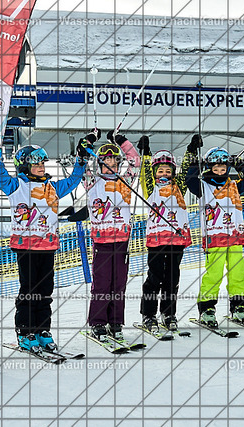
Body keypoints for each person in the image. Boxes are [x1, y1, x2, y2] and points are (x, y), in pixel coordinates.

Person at [0, 129, 94, 351]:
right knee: (29, 289)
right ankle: (25, 331)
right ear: (24, 165)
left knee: (45, 289)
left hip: (48, 246)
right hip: (26, 247)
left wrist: (81, 160)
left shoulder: (52, 187)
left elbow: (74, 180)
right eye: (36, 163)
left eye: (42, 163)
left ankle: (42, 329)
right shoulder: (16, 186)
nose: (41, 166)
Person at [185, 135, 244, 327]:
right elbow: (190, 180)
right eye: (216, 169)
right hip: (214, 238)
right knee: (214, 274)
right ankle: (207, 308)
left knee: (238, 272)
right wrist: (196, 163)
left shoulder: (234, 185)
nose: (220, 172)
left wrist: (240, 164)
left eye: (224, 169)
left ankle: (239, 306)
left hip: (235, 236)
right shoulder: (203, 186)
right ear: (209, 168)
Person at [86, 131, 141, 341]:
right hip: (102, 242)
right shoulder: (92, 182)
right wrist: (88, 141)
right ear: (99, 164)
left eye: (114, 161)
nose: (110, 165)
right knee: (102, 283)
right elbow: (81, 163)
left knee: (118, 283)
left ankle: (115, 322)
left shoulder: (125, 181)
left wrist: (121, 141)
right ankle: (98, 323)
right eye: (106, 161)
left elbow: (135, 161)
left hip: (122, 241)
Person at [137, 136, 192, 332]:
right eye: (160, 171)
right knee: (155, 277)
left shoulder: (179, 188)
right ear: (154, 172)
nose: (164, 174)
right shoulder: (151, 187)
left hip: (176, 239)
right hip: (157, 240)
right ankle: (149, 314)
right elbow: (144, 172)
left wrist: (191, 151)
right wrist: (146, 153)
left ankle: (168, 313)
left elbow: (186, 172)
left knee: (172, 278)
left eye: (168, 171)